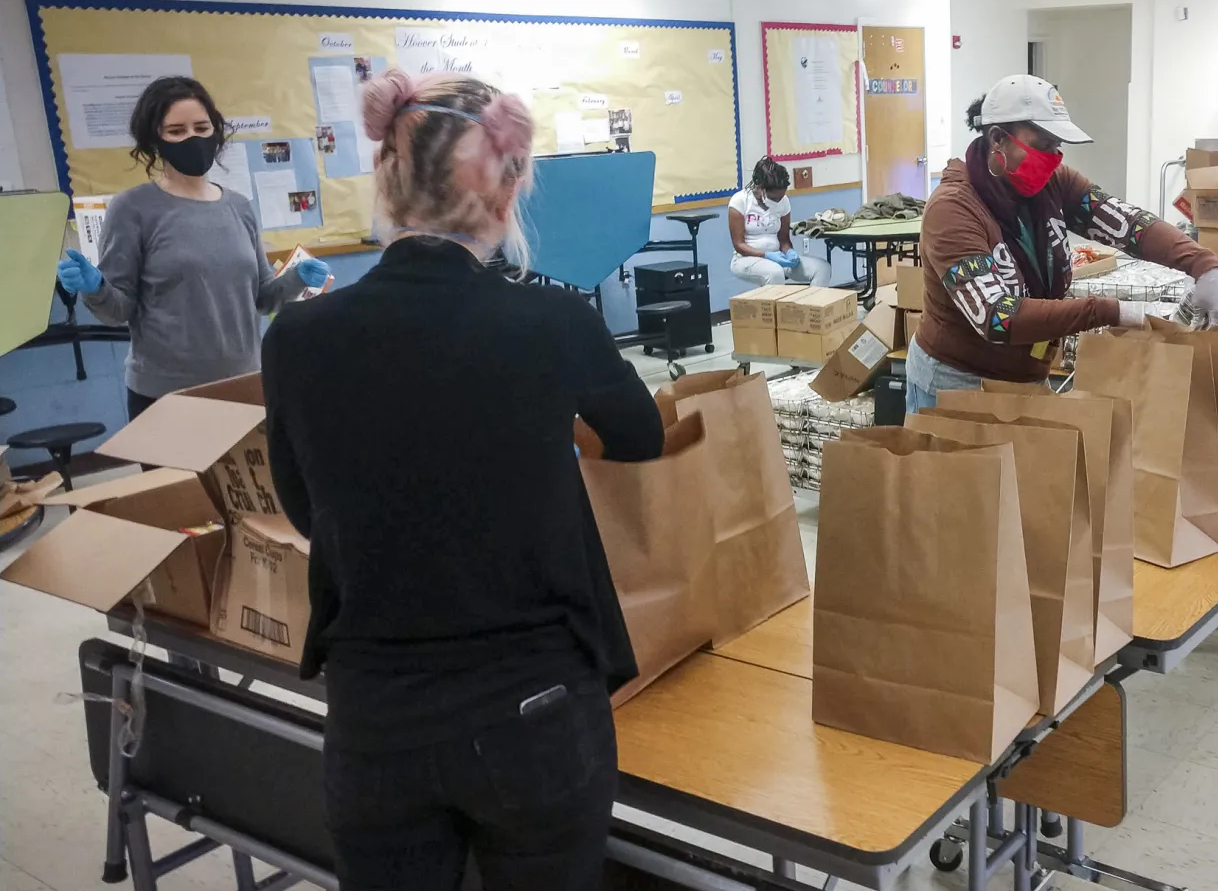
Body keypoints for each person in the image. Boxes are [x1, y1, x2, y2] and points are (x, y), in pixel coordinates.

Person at [261, 70, 662, 890]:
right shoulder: (551, 321)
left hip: (376, 716)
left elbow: (307, 509)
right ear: (510, 188)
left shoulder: (298, 337)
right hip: (533, 708)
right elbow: (640, 435)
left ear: (386, 177)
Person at [907, 74, 1218, 411]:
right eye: (1043, 145)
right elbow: (997, 316)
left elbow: (1127, 223)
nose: (1053, 158)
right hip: (957, 383)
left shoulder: (1051, 184)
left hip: (1027, 375)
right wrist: (1108, 310)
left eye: (1056, 147)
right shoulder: (953, 209)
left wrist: (1203, 265)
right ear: (998, 139)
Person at [53, 76, 330, 419]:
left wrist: (297, 279)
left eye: (202, 127)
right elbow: (117, 311)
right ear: (155, 138)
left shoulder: (239, 206)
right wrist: (94, 287)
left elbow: (262, 298)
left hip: (244, 385)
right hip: (165, 396)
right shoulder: (133, 208)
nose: (193, 139)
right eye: (177, 131)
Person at [728, 156, 835, 286]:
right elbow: (739, 245)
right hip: (746, 259)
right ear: (760, 187)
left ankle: (813, 306)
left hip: (778, 258)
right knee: (775, 273)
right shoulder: (740, 201)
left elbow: (784, 239)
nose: (778, 201)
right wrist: (767, 255)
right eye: (774, 198)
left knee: (822, 269)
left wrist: (790, 252)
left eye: (781, 197)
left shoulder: (784, 202)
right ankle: (775, 307)